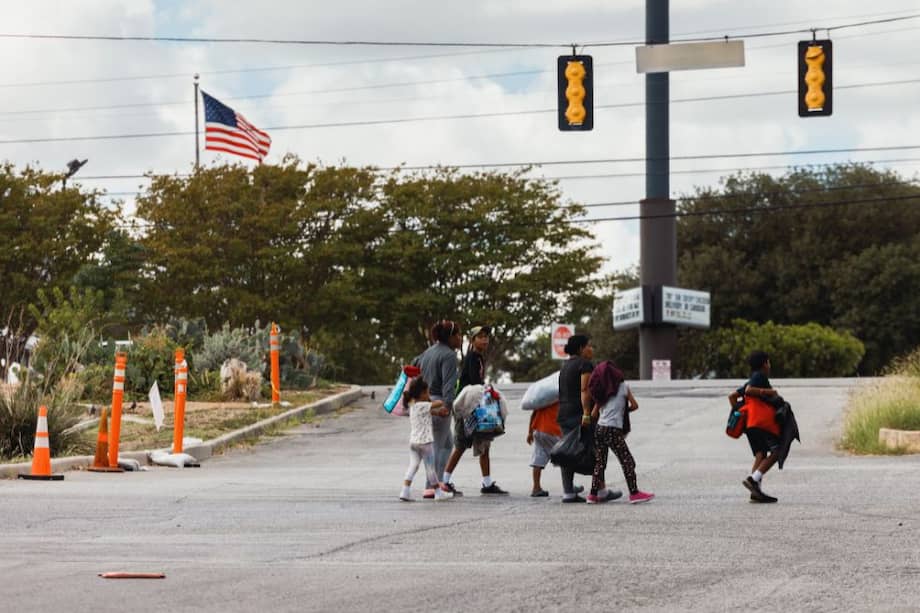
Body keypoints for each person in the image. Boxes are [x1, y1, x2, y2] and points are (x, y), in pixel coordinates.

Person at [442, 325, 509, 495]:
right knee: (461, 444)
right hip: (466, 407)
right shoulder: (472, 357)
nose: (485, 339)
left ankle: (487, 484)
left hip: (476, 405)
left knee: (484, 444)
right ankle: (445, 481)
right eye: (480, 336)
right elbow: (473, 382)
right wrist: (486, 390)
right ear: (472, 341)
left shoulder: (478, 357)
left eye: (486, 336)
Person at [556, 334, 620, 503]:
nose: (591, 349)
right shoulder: (584, 365)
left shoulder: (565, 366)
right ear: (580, 348)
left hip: (564, 413)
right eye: (589, 346)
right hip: (580, 414)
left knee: (567, 451)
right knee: (596, 450)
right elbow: (585, 390)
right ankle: (601, 491)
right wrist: (587, 412)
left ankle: (568, 492)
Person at [587, 360, 654, 504]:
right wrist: (623, 411)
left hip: (599, 428)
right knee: (627, 461)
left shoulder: (602, 390)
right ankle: (634, 493)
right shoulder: (623, 387)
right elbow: (635, 405)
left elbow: (593, 415)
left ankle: (592, 495)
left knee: (600, 463)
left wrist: (604, 412)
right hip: (613, 429)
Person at [728, 350, 783, 503]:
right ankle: (754, 479)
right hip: (760, 422)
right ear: (765, 363)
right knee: (777, 451)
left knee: (761, 454)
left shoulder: (751, 379)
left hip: (750, 424)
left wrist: (740, 415)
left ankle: (755, 491)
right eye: (769, 362)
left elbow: (732, 396)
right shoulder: (759, 377)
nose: (769, 366)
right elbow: (749, 391)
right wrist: (771, 391)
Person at [416, 320, 462, 498]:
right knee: (437, 445)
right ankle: (431, 486)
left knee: (447, 444)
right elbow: (449, 385)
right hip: (439, 402)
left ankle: (438, 481)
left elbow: (415, 365)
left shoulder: (427, 352)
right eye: (457, 334)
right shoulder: (449, 355)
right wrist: (447, 406)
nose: (460, 338)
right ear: (449, 337)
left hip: (425, 402)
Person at [399, 377, 453, 502]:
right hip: (425, 443)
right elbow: (438, 403)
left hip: (413, 443)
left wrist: (438, 413)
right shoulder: (423, 404)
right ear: (422, 393)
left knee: (413, 466)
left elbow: (429, 412)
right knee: (430, 469)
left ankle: (405, 491)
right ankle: (438, 493)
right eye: (427, 392)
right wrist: (440, 400)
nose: (429, 394)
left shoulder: (412, 404)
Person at [526, 401, 562, 496]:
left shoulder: (542, 399)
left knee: (538, 459)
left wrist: (530, 432)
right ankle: (569, 487)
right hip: (552, 431)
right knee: (565, 456)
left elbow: (533, 415)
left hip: (538, 431)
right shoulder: (558, 399)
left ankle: (536, 488)